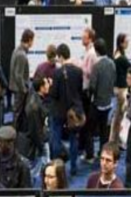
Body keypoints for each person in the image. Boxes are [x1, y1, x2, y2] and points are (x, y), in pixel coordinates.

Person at [49, 43, 84, 175]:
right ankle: (74, 167)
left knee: (56, 138)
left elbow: (54, 93)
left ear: (60, 56)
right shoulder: (78, 71)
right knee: (74, 139)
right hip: (74, 110)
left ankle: (57, 167)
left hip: (59, 111)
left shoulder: (57, 73)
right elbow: (80, 90)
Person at [88, 38, 115, 159]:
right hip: (108, 102)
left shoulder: (96, 66)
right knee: (104, 130)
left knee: (90, 130)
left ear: (96, 51)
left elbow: (92, 86)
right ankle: (102, 152)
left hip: (97, 103)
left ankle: (90, 154)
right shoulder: (112, 63)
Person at [110, 34, 131, 144]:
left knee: (118, 115)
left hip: (118, 87)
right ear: (121, 43)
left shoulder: (116, 54)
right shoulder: (121, 58)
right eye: (126, 42)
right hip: (121, 89)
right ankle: (114, 139)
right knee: (119, 115)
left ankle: (115, 138)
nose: (128, 43)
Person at [10, 29, 34, 116]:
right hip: (19, 90)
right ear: (30, 40)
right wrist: (24, 89)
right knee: (18, 113)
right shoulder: (21, 55)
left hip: (16, 88)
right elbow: (18, 75)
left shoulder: (17, 50)